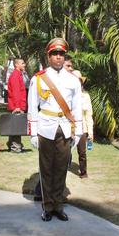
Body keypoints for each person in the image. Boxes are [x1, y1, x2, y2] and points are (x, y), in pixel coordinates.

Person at [28, 38, 82, 221]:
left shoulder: (73, 80)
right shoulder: (39, 78)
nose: (58, 57)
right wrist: (33, 132)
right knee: (46, 169)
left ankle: (59, 205)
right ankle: (47, 206)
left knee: (61, 168)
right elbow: (32, 106)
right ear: (48, 56)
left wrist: (79, 131)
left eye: (61, 54)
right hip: (45, 127)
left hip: (65, 128)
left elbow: (76, 107)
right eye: (54, 54)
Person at [72, 70, 93, 178]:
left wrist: (90, 132)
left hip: (82, 128)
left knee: (82, 152)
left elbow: (89, 116)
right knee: (64, 152)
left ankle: (83, 172)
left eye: (78, 80)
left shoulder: (86, 96)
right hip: (68, 127)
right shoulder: (66, 95)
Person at [6, 58, 28, 153]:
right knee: (17, 127)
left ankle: (12, 145)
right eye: (22, 63)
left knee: (15, 126)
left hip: (18, 105)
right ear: (16, 65)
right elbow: (15, 93)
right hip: (17, 106)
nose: (24, 65)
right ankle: (16, 147)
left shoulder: (18, 75)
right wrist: (17, 107)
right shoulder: (15, 75)